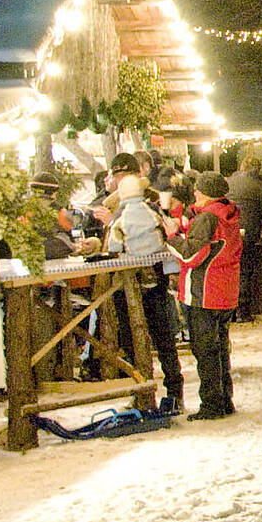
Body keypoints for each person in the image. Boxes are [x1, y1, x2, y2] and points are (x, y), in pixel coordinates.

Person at [104, 174, 186, 412]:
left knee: (132, 341)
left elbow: (114, 247)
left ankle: (140, 391)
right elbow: (168, 239)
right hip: (156, 283)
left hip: (129, 286)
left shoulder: (120, 217)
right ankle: (174, 392)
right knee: (165, 340)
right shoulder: (154, 213)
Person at [169, 172, 241, 420]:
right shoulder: (227, 213)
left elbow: (191, 255)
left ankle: (211, 404)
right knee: (220, 347)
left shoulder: (207, 218)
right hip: (225, 290)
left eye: (198, 190)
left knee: (205, 350)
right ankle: (224, 400)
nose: (195, 194)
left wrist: (170, 237)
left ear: (207, 192)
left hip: (205, 292)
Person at [227, 156, 262, 322]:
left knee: (230, 271)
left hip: (230, 232)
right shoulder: (259, 185)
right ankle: (244, 311)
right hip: (249, 234)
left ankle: (230, 312)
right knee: (245, 271)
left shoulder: (229, 182)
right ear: (257, 169)